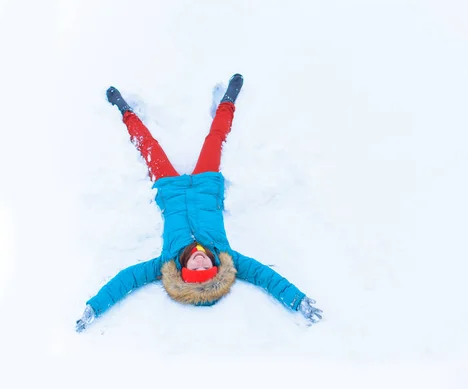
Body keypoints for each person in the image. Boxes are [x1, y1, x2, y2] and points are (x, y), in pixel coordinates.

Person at [75, 74, 322, 332]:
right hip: (206, 184)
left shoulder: (166, 261)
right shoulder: (227, 256)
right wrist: (298, 300)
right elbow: (265, 276)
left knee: (149, 146)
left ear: (184, 270)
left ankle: (125, 110)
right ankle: (229, 99)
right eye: (207, 267)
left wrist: (94, 307)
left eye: (196, 267)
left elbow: (126, 280)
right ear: (216, 268)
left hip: (169, 188)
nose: (202, 262)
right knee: (215, 139)